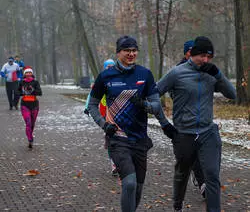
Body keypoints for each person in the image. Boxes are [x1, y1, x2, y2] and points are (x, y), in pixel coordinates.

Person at [157, 36, 236, 212]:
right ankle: (177, 205)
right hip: (184, 134)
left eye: (209, 57)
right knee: (182, 173)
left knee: (212, 176)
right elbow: (155, 92)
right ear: (192, 54)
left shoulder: (211, 73)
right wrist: (164, 122)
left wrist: (218, 74)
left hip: (208, 133)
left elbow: (232, 94)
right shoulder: (177, 73)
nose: (206, 60)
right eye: (202, 56)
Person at [88, 35, 167, 212]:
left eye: (134, 50)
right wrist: (103, 124)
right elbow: (92, 105)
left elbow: (156, 106)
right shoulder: (105, 76)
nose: (131, 54)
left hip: (140, 139)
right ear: (118, 53)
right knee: (129, 183)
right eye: (127, 50)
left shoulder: (145, 75)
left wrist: (144, 105)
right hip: (117, 138)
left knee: (137, 188)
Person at [177, 40, 206, 198]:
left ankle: (204, 178)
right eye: (191, 50)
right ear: (186, 53)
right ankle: (203, 183)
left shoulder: (205, 69)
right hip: (185, 120)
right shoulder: (178, 71)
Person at [84, 58, 118, 175]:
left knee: (119, 138)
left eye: (111, 66)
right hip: (104, 114)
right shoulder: (101, 79)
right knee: (110, 137)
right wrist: (87, 107)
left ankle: (120, 161)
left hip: (118, 112)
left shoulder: (119, 78)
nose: (109, 68)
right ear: (104, 67)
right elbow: (91, 95)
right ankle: (114, 164)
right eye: (107, 66)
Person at [16, 66, 42, 149]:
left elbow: (40, 92)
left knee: (32, 124)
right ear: (24, 74)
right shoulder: (21, 82)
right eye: (26, 73)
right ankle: (30, 139)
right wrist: (23, 92)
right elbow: (17, 92)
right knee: (28, 122)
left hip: (34, 105)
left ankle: (30, 136)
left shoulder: (35, 82)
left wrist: (32, 90)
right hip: (25, 105)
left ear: (32, 73)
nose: (28, 74)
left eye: (29, 72)